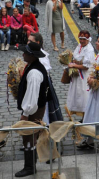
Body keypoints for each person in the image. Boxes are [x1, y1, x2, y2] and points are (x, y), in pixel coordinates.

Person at [15, 42, 50, 177]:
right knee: (30, 136)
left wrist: (25, 114)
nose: (23, 54)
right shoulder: (32, 67)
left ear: (32, 56)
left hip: (34, 110)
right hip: (36, 108)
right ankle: (31, 163)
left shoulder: (35, 72)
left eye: (26, 53)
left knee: (28, 136)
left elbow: (32, 97)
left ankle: (29, 167)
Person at [28, 33, 63, 128]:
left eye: (31, 41)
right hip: (36, 88)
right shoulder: (32, 55)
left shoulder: (42, 58)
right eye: (28, 40)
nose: (28, 43)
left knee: (43, 110)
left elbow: (44, 74)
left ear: (38, 42)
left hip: (41, 89)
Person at [67, 30, 95, 119]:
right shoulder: (80, 46)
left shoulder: (89, 50)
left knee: (84, 95)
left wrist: (74, 65)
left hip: (84, 76)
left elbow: (86, 66)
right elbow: (76, 56)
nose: (82, 41)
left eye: (84, 39)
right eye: (80, 39)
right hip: (78, 75)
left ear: (88, 39)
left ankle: (86, 117)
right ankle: (83, 117)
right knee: (78, 94)